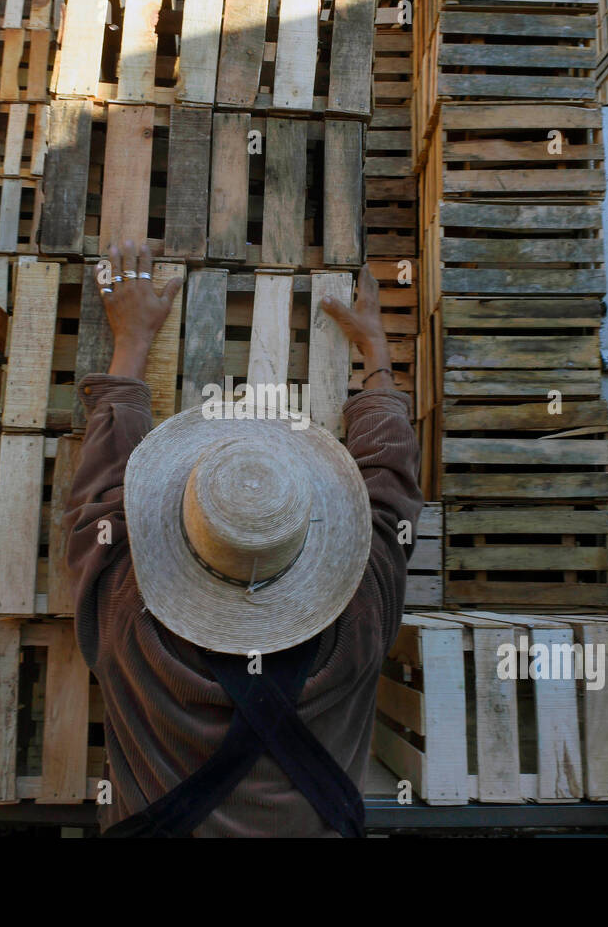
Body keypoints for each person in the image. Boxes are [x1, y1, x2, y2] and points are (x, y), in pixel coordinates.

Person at [62, 239, 423, 837]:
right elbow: (389, 491)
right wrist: (375, 353)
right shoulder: (364, 606)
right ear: (318, 527)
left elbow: (97, 501)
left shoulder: (126, 613)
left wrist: (131, 342)